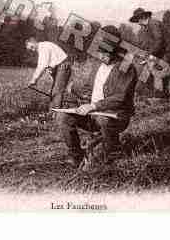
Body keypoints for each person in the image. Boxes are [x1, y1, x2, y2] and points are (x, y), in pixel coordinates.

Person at [57, 25, 138, 167]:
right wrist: (73, 92)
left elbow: (120, 98)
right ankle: (76, 156)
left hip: (116, 116)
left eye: (104, 52)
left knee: (103, 119)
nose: (100, 56)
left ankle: (114, 152)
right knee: (64, 118)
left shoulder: (126, 68)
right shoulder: (98, 66)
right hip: (93, 113)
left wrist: (93, 106)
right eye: (99, 51)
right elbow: (88, 88)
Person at [129, 7, 170, 97]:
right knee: (149, 68)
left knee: (157, 70)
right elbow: (147, 44)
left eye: (137, 20)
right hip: (162, 52)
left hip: (168, 52)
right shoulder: (146, 28)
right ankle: (143, 92)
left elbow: (159, 41)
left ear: (142, 17)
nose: (137, 23)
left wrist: (149, 55)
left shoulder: (153, 24)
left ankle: (158, 96)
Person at [26, 38, 72, 110]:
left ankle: (56, 112)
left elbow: (42, 65)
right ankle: (52, 110)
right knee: (54, 91)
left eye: (32, 47)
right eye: (30, 49)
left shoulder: (43, 47)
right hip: (59, 67)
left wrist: (34, 80)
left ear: (35, 42)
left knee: (57, 91)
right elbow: (50, 64)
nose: (33, 50)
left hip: (63, 66)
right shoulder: (43, 46)